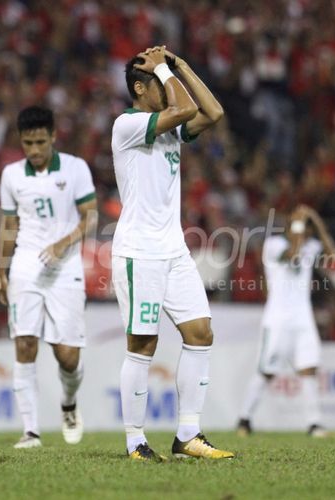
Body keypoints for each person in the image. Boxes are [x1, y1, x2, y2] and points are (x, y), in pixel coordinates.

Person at [111, 46, 234, 461]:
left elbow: (213, 112)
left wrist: (181, 64)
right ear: (140, 88)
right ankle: (134, 441)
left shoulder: (169, 128)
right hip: (138, 251)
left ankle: (188, 436)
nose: (167, 85)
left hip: (173, 250)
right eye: (159, 79)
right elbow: (183, 109)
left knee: (200, 333)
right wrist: (163, 67)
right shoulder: (127, 125)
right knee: (142, 344)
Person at [0, 106, 97, 449]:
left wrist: (63, 243)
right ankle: (31, 432)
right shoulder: (11, 175)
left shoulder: (75, 168)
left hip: (65, 267)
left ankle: (68, 403)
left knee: (67, 355)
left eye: (41, 141)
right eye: (28, 143)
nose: (35, 150)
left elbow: (91, 218)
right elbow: (9, 225)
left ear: (54, 136)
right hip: (25, 265)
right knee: (24, 343)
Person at [237, 205, 335, 438]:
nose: (304, 230)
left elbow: (331, 255)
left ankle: (314, 424)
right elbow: (292, 257)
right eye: (300, 224)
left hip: (303, 317)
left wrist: (315, 218)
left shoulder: (310, 246)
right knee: (267, 371)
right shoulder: (274, 245)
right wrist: (300, 226)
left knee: (309, 368)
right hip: (278, 319)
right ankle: (244, 419)